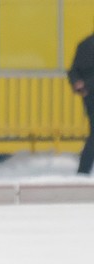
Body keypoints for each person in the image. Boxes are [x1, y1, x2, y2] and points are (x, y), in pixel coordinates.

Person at [69, 28, 94, 176]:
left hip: (88, 95)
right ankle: (83, 170)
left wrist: (78, 83)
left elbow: (73, 70)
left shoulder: (84, 44)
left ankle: (83, 170)